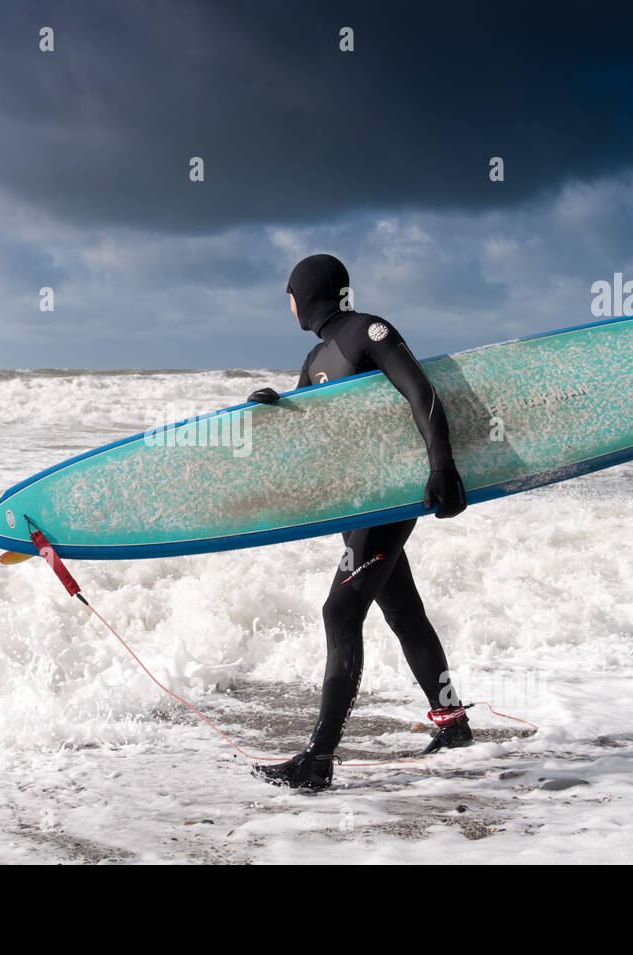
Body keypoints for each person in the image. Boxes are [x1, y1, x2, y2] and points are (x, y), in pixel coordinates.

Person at [247, 253, 471, 791]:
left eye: (290, 293)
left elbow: (422, 391)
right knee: (404, 612)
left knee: (339, 611)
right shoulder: (317, 355)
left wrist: (442, 465)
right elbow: (311, 430)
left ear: (309, 291)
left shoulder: (368, 332)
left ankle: (318, 760)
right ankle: (453, 723)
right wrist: (272, 407)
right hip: (356, 507)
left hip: (389, 498)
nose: (289, 303)